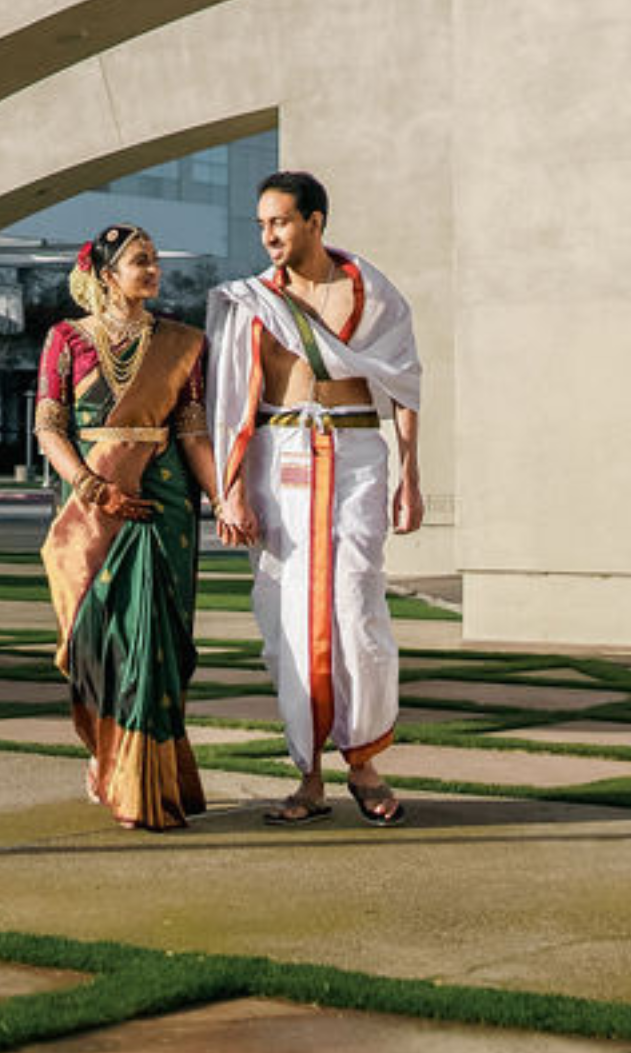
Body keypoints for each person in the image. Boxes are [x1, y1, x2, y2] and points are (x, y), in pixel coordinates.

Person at [207, 171, 422, 827]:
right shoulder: (251, 302)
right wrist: (230, 491)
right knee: (286, 619)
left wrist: (410, 476)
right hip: (281, 459)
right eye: (262, 225)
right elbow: (231, 402)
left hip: (356, 455)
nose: (269, 235)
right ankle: (308, 776)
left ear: (315, 221)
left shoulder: (373, 293)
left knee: (357, 606)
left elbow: (406, 385)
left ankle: (364, 763)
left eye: (280, 221)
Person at [35, 223, 224, 830]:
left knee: (155, 646)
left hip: (162, 504)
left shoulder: (184, 344)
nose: (154, 271)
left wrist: (227, 499)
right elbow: (48, 429)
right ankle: (105, 758)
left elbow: (193, 433)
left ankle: (145, 788)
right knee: (96, 645)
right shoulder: (66, 340)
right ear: (107, 274)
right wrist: (93, 487)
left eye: (156, 261)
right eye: (141, 262)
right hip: (89, 509)